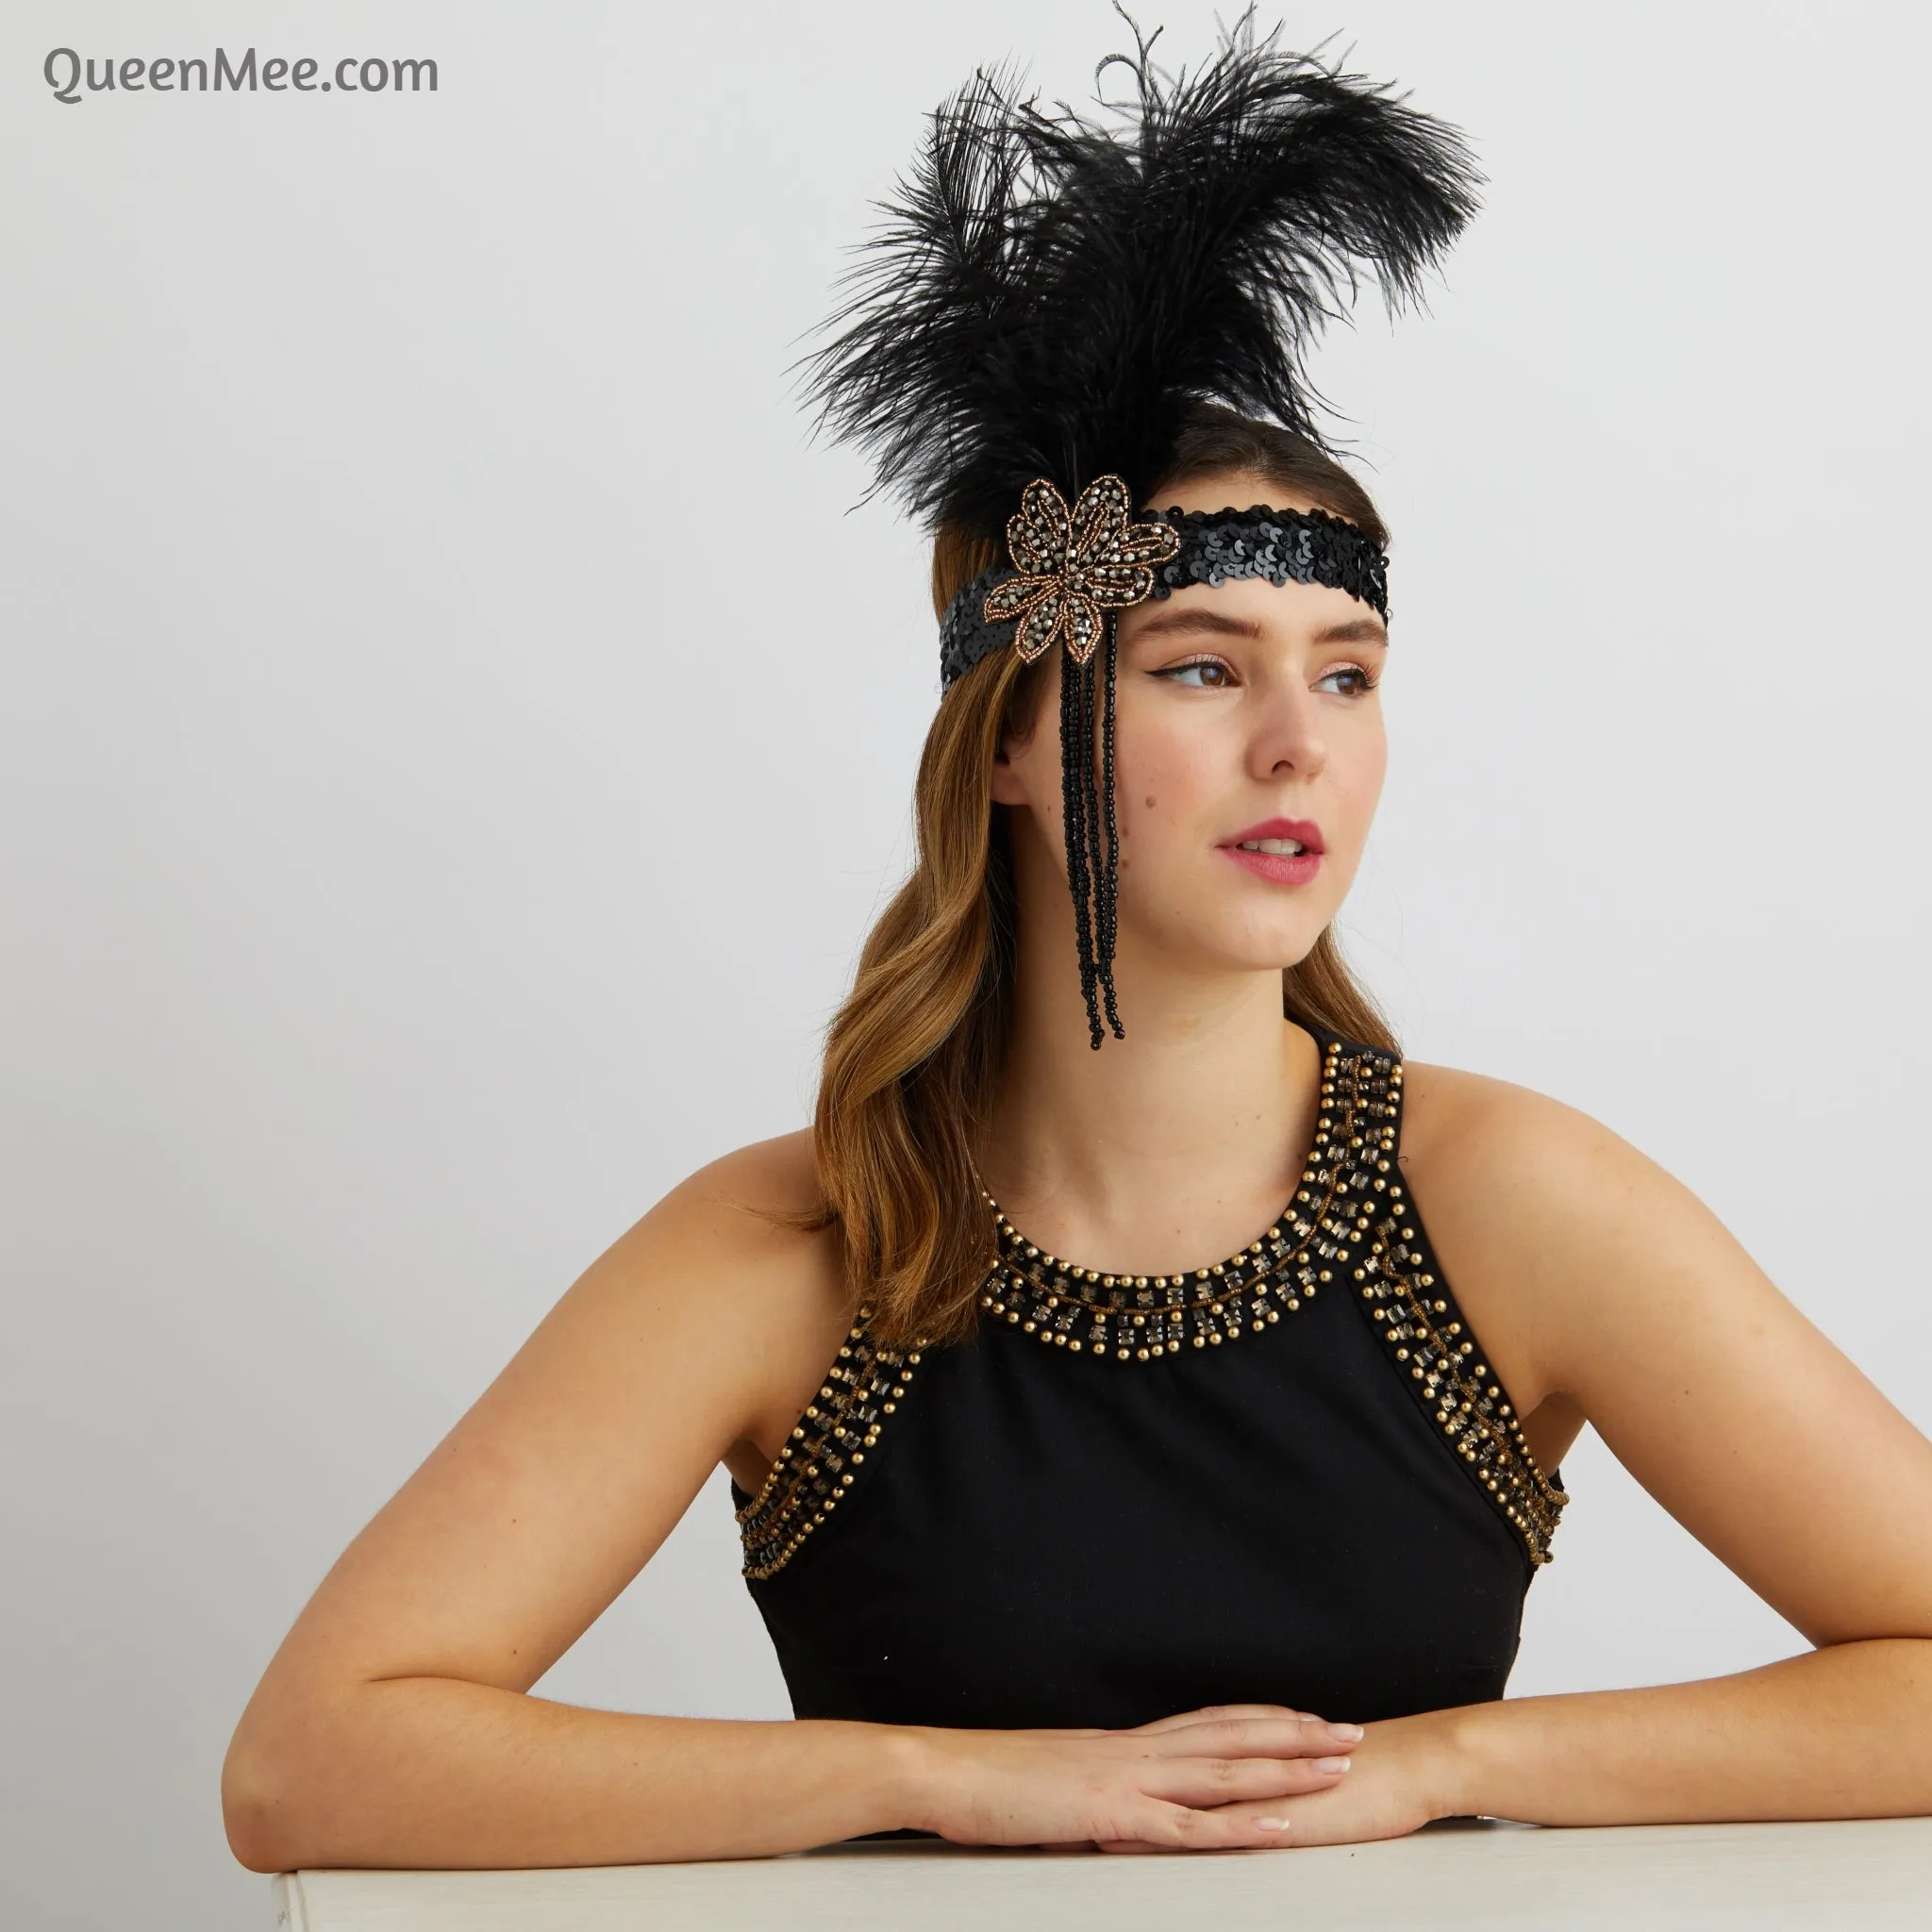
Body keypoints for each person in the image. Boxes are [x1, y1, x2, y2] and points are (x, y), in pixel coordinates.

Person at [222, 22, 1932, 1870]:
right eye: (1200, 665)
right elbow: (311, 1762)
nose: (1298, 744)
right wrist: (945, 1774)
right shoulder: (799, 1243)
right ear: (1017, 737)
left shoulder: (1512, 1200)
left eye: (1345, 678)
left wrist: (1440, 1759)